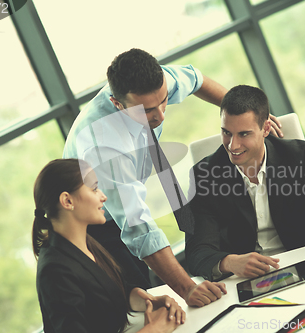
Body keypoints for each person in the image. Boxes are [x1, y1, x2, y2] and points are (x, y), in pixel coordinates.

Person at [64, 48, 264, 306]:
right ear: (117, 104)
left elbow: (196, 79)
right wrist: (188, 288)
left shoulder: (154, 83)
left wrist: (248, 115)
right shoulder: (105, 147)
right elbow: (139, 227)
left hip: (118, 199)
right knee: (136, 299)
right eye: (146, 111)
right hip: (93, 223)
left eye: (163, 101)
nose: (160, 115)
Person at [185, 85, 305, 281]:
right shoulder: (203, 175)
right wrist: (229, 262)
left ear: (266, 129)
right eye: (226, 133)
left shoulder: (299, 156)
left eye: (244, 134)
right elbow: (196, 252)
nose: (233, 146)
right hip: (244, 280)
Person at [33, 158, 185, 333]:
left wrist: (147, 300)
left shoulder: (87, 243)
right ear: (68, 201)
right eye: (94, 188)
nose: (103, 196)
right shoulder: (54, 271)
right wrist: (155, 329)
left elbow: (108, 292)